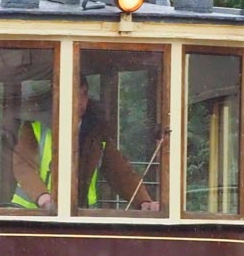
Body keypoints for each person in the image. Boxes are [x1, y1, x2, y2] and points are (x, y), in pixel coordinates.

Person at [12, 84, 158, 211]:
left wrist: (143, 201)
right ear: (60, 96)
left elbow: (121, 173)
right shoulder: (34, 129)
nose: (81, 100)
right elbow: (23, 166)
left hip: (80, 217)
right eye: (75, 93)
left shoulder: (96, 134)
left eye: (84, 94)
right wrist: (43, 198)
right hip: (32, 218)